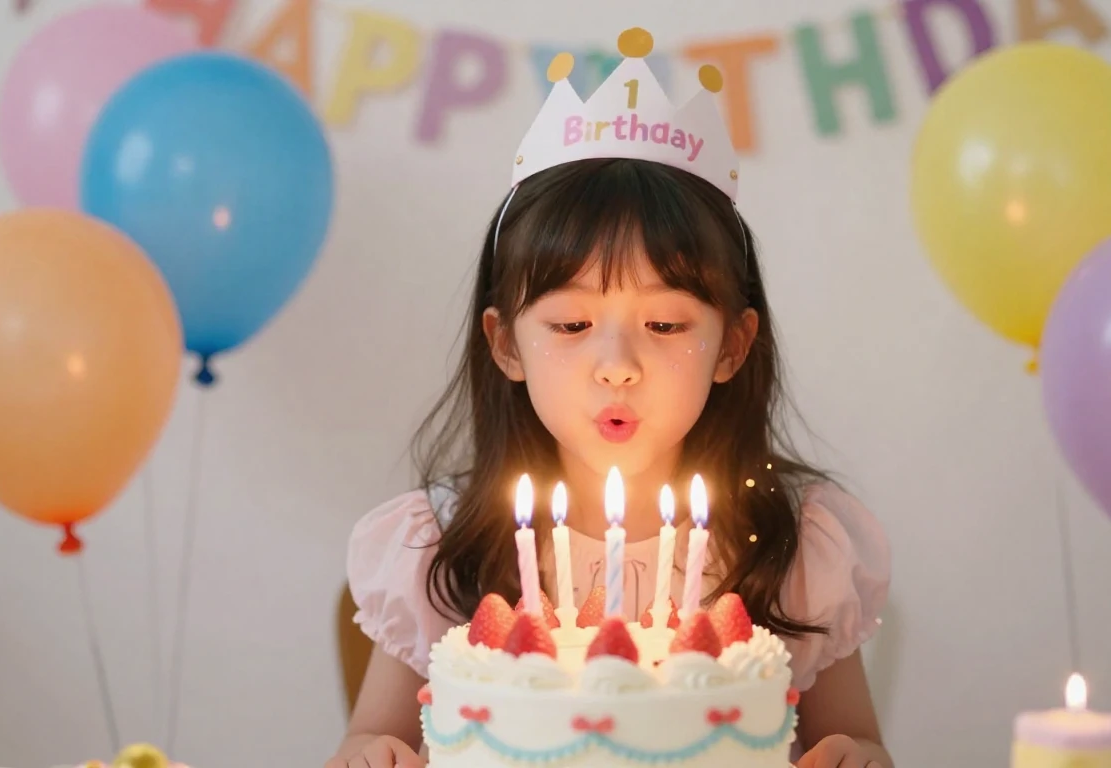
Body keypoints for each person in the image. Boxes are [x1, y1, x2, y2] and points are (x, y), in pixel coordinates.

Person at [328, 30, 892, 768]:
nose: (617, 367)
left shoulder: (790, 543)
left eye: (664, 324)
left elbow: (860, 745)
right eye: (570, 324)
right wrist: (373, 754)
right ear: (504, 344)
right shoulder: (443, 545)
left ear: (731, 345)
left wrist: (856, 756)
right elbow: (371, 740)